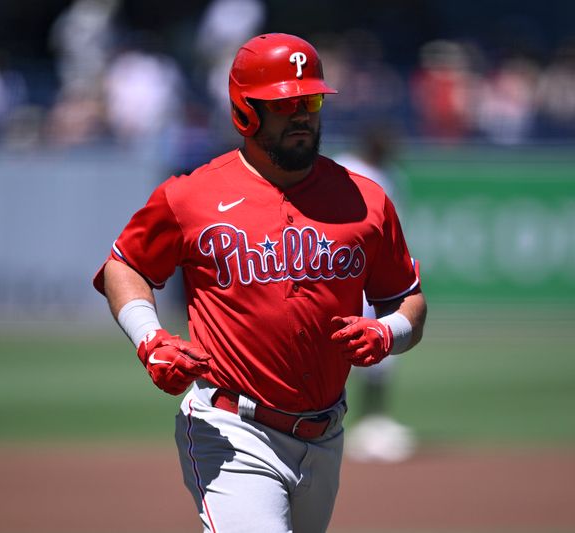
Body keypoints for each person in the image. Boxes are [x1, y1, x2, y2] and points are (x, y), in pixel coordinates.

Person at [92, 33, 427, 533]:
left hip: (327, 433)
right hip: (230, 428)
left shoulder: (365, 200)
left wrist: (388, 333)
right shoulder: (191, 196)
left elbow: (408, 301)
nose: (302, 114)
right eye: (283, 103)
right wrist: (150, 339)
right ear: (246, 111)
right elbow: (126, 265)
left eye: (310, 100)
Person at [334, 128, 419, 463]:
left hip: (377, 275)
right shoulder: (344, 168)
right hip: (350, 274)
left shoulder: (390, 175)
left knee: (382, 355)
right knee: (347, 354)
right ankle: (359, 426)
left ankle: (373, 426)